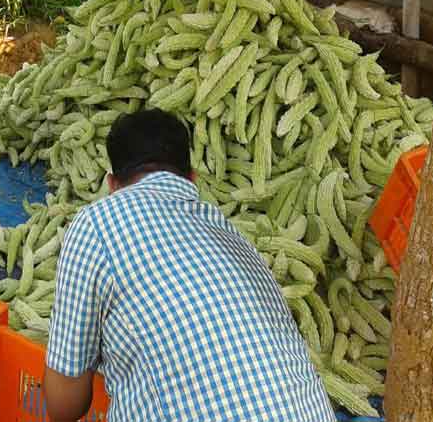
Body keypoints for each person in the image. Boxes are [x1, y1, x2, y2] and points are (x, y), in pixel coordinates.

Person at [43, 109, 336, 422]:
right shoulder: (232, 234)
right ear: (192, 179)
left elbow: (64, 407)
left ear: (112, 185)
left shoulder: (96, 223)